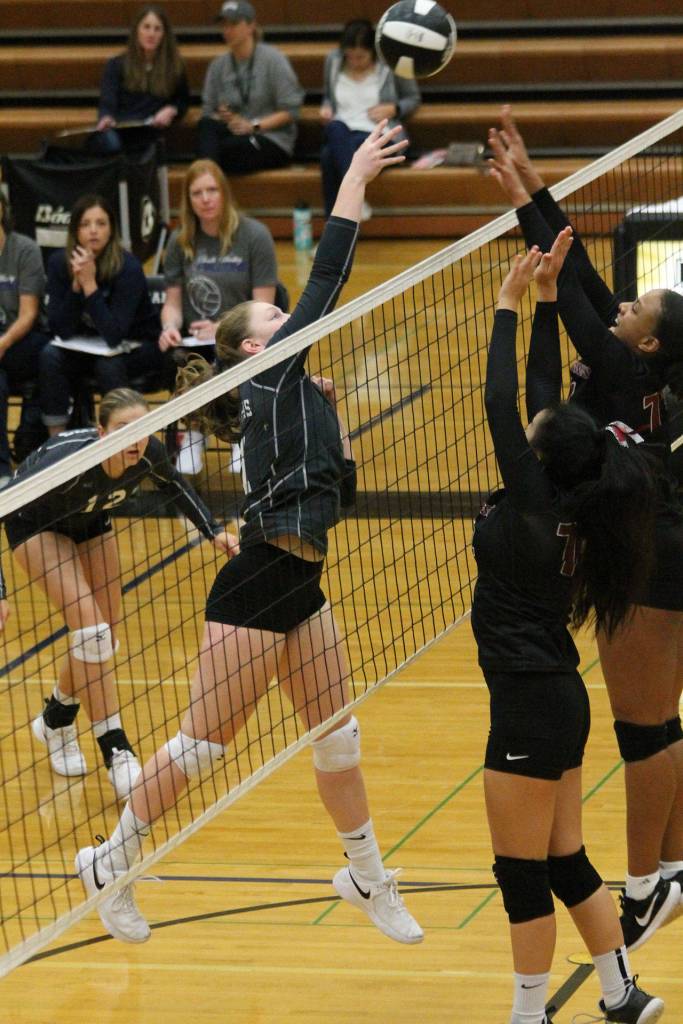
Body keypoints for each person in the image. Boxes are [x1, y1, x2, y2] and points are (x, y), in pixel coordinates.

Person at [75, 124, 424, 950]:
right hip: (261, 576)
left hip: (300, 575)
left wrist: (330, 419)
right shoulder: (267, 370)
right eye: (276, 314)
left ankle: (364, 875)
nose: (287, 312)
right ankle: (111, 861)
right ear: (254, 345)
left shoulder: (292, 388)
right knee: (201, 746)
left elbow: (342, 492)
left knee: (336, 736)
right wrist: (353, 182)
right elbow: (331, 275)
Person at [488, 106, 683, 953]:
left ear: (645, 345)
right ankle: (672, 870)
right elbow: (591, 286)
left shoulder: (610, 365)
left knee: (645, 729)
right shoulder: (634, 364)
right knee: (665, 725)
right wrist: (530, 185)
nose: (624, 305)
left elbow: (569, 290)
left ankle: (643, 885)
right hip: (669, 541)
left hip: (653, 558)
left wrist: (529, 237)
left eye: (637, 307)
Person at [475, 235, 669, 1024]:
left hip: (528, 703)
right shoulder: (576, 498)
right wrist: (549, 302)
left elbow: (503, 398)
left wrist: (507, 306)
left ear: (541, 453)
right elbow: (539, 392)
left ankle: (530, 1014)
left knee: (521, 874)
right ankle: (621, 994)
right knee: (563, 860)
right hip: (552, 695)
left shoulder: (532, 500)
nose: (536, 414)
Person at [0, 388, 234, 800]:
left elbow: (175, 484)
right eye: (123, 430)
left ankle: (57, 718)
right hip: (34, 525)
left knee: (105, 636)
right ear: (102, 433)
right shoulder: (68, 463)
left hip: (90, 521)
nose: (135, 438)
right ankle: (117, 750)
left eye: (141, 429)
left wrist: (213, 532)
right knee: (92, 633)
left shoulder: (148, 452)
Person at [159, 157, 278, 474]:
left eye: (212, 190)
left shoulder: (255, 236)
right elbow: (172, 302)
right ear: (188, 200)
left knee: (231, 354)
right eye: (197, 193)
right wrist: (169, 326)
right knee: (185, 358)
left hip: (242, 336)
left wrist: (221, 328)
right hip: (194, 340)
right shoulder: (179, 241)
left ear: (224, 193)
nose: (206, 198)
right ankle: (194, 436)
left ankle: (243, 435)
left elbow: (262, 305)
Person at [39, 194, 163, 436]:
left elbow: (114, 335)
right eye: (85, 224)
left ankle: (119, 439)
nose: (93, 231)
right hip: (87, 347)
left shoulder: (128, 267)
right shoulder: (58, 263)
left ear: (111, 230)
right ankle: (57, 442)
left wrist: (89, 286)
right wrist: (76, 288)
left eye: (101, 223)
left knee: (108, 364)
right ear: (75, 230)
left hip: (137, 347)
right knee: (49, 355)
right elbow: (60, 330)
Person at [319, 18, 420, 219]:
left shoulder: (391, 63)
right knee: (335, 128)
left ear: (373, 52)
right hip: (342, 130)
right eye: (350, 57)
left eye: (361, 57)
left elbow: (413, 98)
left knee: (329, 157)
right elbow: (328, 97)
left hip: (377, 133)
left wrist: (394, 108)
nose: (355, 62)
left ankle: (335, 229)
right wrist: (326, 107)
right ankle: (356, 197)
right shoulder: (333, 61)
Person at [197, 1, 304, 175]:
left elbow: (291, 110)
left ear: (251, 26)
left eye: (233, 24)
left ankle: (206, 180)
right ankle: (209, 181)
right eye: (224, 25)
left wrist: (253, 125)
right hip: (234, 133)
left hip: (270, 138)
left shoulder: (273, 59)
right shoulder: (218, 65)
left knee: (220, 153)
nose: (227, 31)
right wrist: (223, 116)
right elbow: (208, 112)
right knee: (206, 127)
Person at [91, 4, 190, 156]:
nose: (151, 34)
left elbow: (182, 101)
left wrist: (172, 109)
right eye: (147, 27)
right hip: (120, 132)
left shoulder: (175, 67)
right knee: (109, 144)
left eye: (157, 29)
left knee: (147, 148)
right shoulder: (116, 65)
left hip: (149, 132)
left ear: (164, 34)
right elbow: (107, 103)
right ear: (137, 30)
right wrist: (106, 118)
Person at [0, 194, 49, 484]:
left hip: (22, 340)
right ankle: (3, 469)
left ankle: (28, 436)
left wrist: (3, 343)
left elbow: (28, 314)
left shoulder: (24, 249)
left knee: (45, 355)